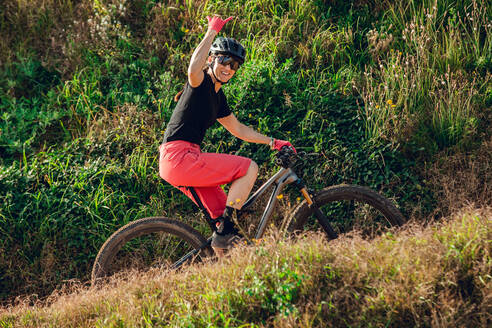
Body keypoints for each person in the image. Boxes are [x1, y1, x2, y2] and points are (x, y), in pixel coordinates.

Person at [159, 15, 295, 252]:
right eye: (224, 61)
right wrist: (212, 31)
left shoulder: (218, 98)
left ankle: (224, 255)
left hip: (182, 161)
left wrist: (273, 142)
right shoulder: (200, 83)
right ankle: (223, 237)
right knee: (249, 167)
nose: (229, 68)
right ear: (211, 59)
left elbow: (238, 129)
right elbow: (193, 67)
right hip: (179, 157)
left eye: (234, 65)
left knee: (227, 219)